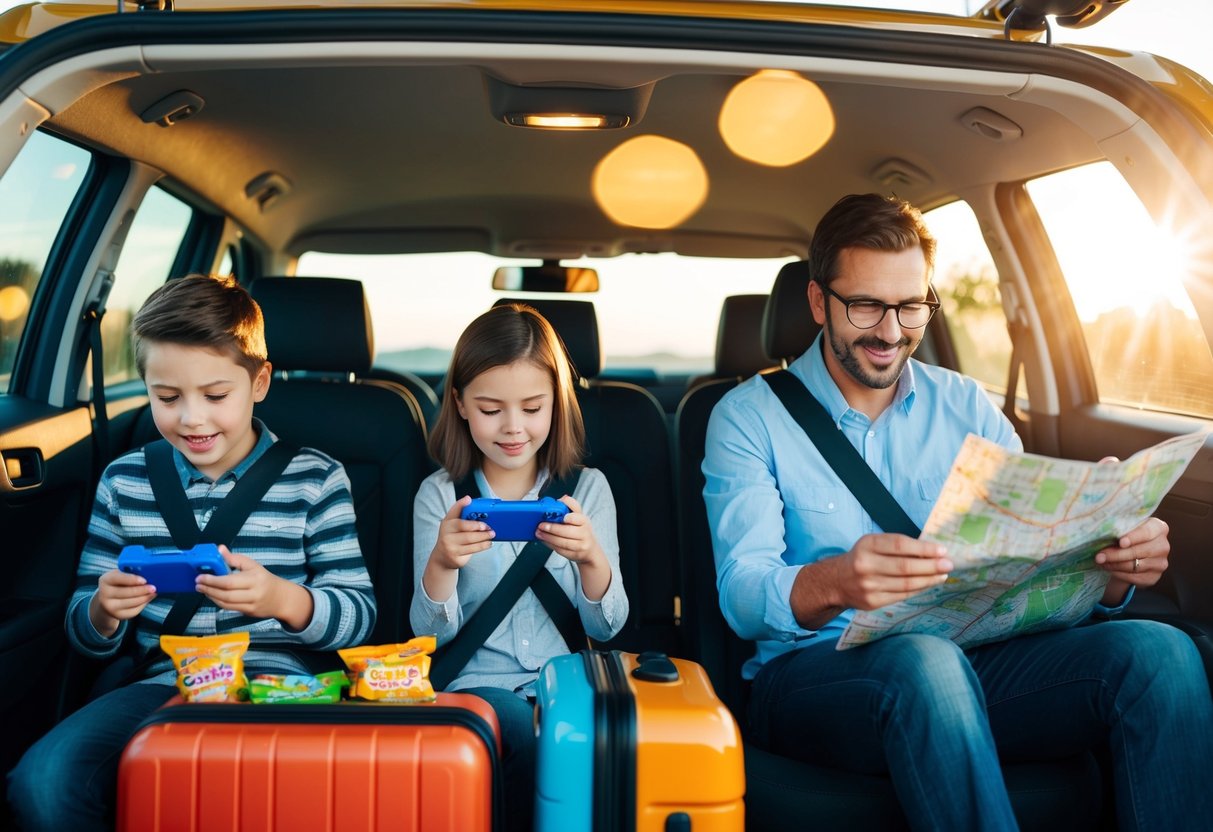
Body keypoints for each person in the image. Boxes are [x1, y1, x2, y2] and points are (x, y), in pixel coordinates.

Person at [702, 193, 1213, 830]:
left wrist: (1112, 565)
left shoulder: (967, 405)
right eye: (865, 306)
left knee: (1159, 654)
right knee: (922, 662)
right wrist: (835, 581)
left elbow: (1032, 552)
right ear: (816, 302)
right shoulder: (747, 418)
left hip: (972, 662)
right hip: (815, 679)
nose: (891, 332)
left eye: (910, 306)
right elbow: (743, 595)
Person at [7, 274, 376, 831]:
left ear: (259, 383)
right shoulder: (125, 480)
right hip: (163, 682)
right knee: (43, 781)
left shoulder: (315, 480)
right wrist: (105, 610)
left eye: (215, 395)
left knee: (251, 796)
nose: (192, 419)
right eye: (168, 397)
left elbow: (360, 619)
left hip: (279, 685)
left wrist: (282, 598)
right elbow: (85, 629)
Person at [411, 302, 627, 832]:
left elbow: (609, 625)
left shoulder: (589, 490)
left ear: (558, 403)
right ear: (459, 404)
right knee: (512, 723)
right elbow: (427, 635)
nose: (513, 428)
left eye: (533, 408)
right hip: (474, 686)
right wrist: (443, 561)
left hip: (570, 682)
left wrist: (591, 557)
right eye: (491, 409)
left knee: (566, 727)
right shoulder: (439, 496)